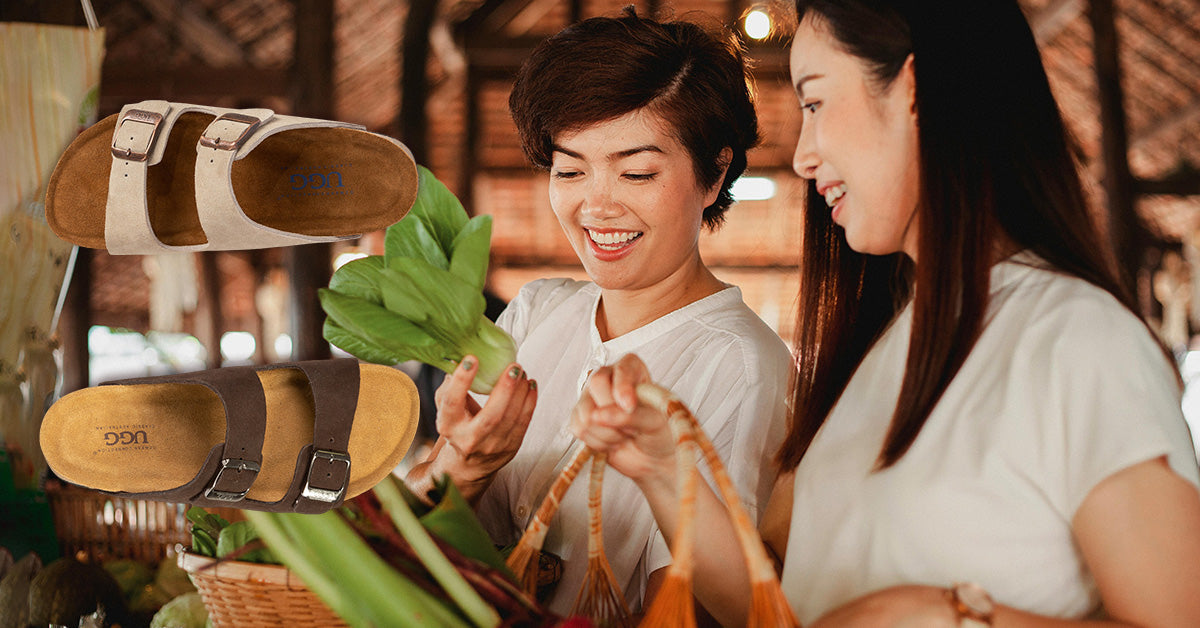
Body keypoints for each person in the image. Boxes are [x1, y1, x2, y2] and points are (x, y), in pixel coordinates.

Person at [570, 1, 1200, 627]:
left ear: (917, 90)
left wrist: (946, 617)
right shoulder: (876, 346)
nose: (803, 156)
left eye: (814, 104)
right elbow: (774, 614)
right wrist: (663, 468)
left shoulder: (1076, 337)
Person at [404, 8, 793, 618]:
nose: (596, 205)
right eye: (570, 170)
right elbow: (408, 539)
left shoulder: (740, 364)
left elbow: (706, 606)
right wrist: (463, 463)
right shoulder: (536, 313)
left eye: (636, 172)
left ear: (714, 174)